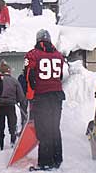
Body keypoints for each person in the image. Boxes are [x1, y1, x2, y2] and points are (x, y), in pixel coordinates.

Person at [24, 29, 65, 171]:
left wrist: (30, 95)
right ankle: (57, 158)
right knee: (54, 127)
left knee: (43, 130)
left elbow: (28, 76)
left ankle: (45, 162)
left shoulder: (33, 55)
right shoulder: (58, 55)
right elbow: (60, 76)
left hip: (42, 96)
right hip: (57, 96)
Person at [0, 59, 26, 150]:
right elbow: (21, 95)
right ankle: (13, 141)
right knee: (12, 123)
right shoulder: (14, 81)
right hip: (10, 105)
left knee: (0, 125)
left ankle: (0, 143)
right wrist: (16, 100)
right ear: (8, 71)